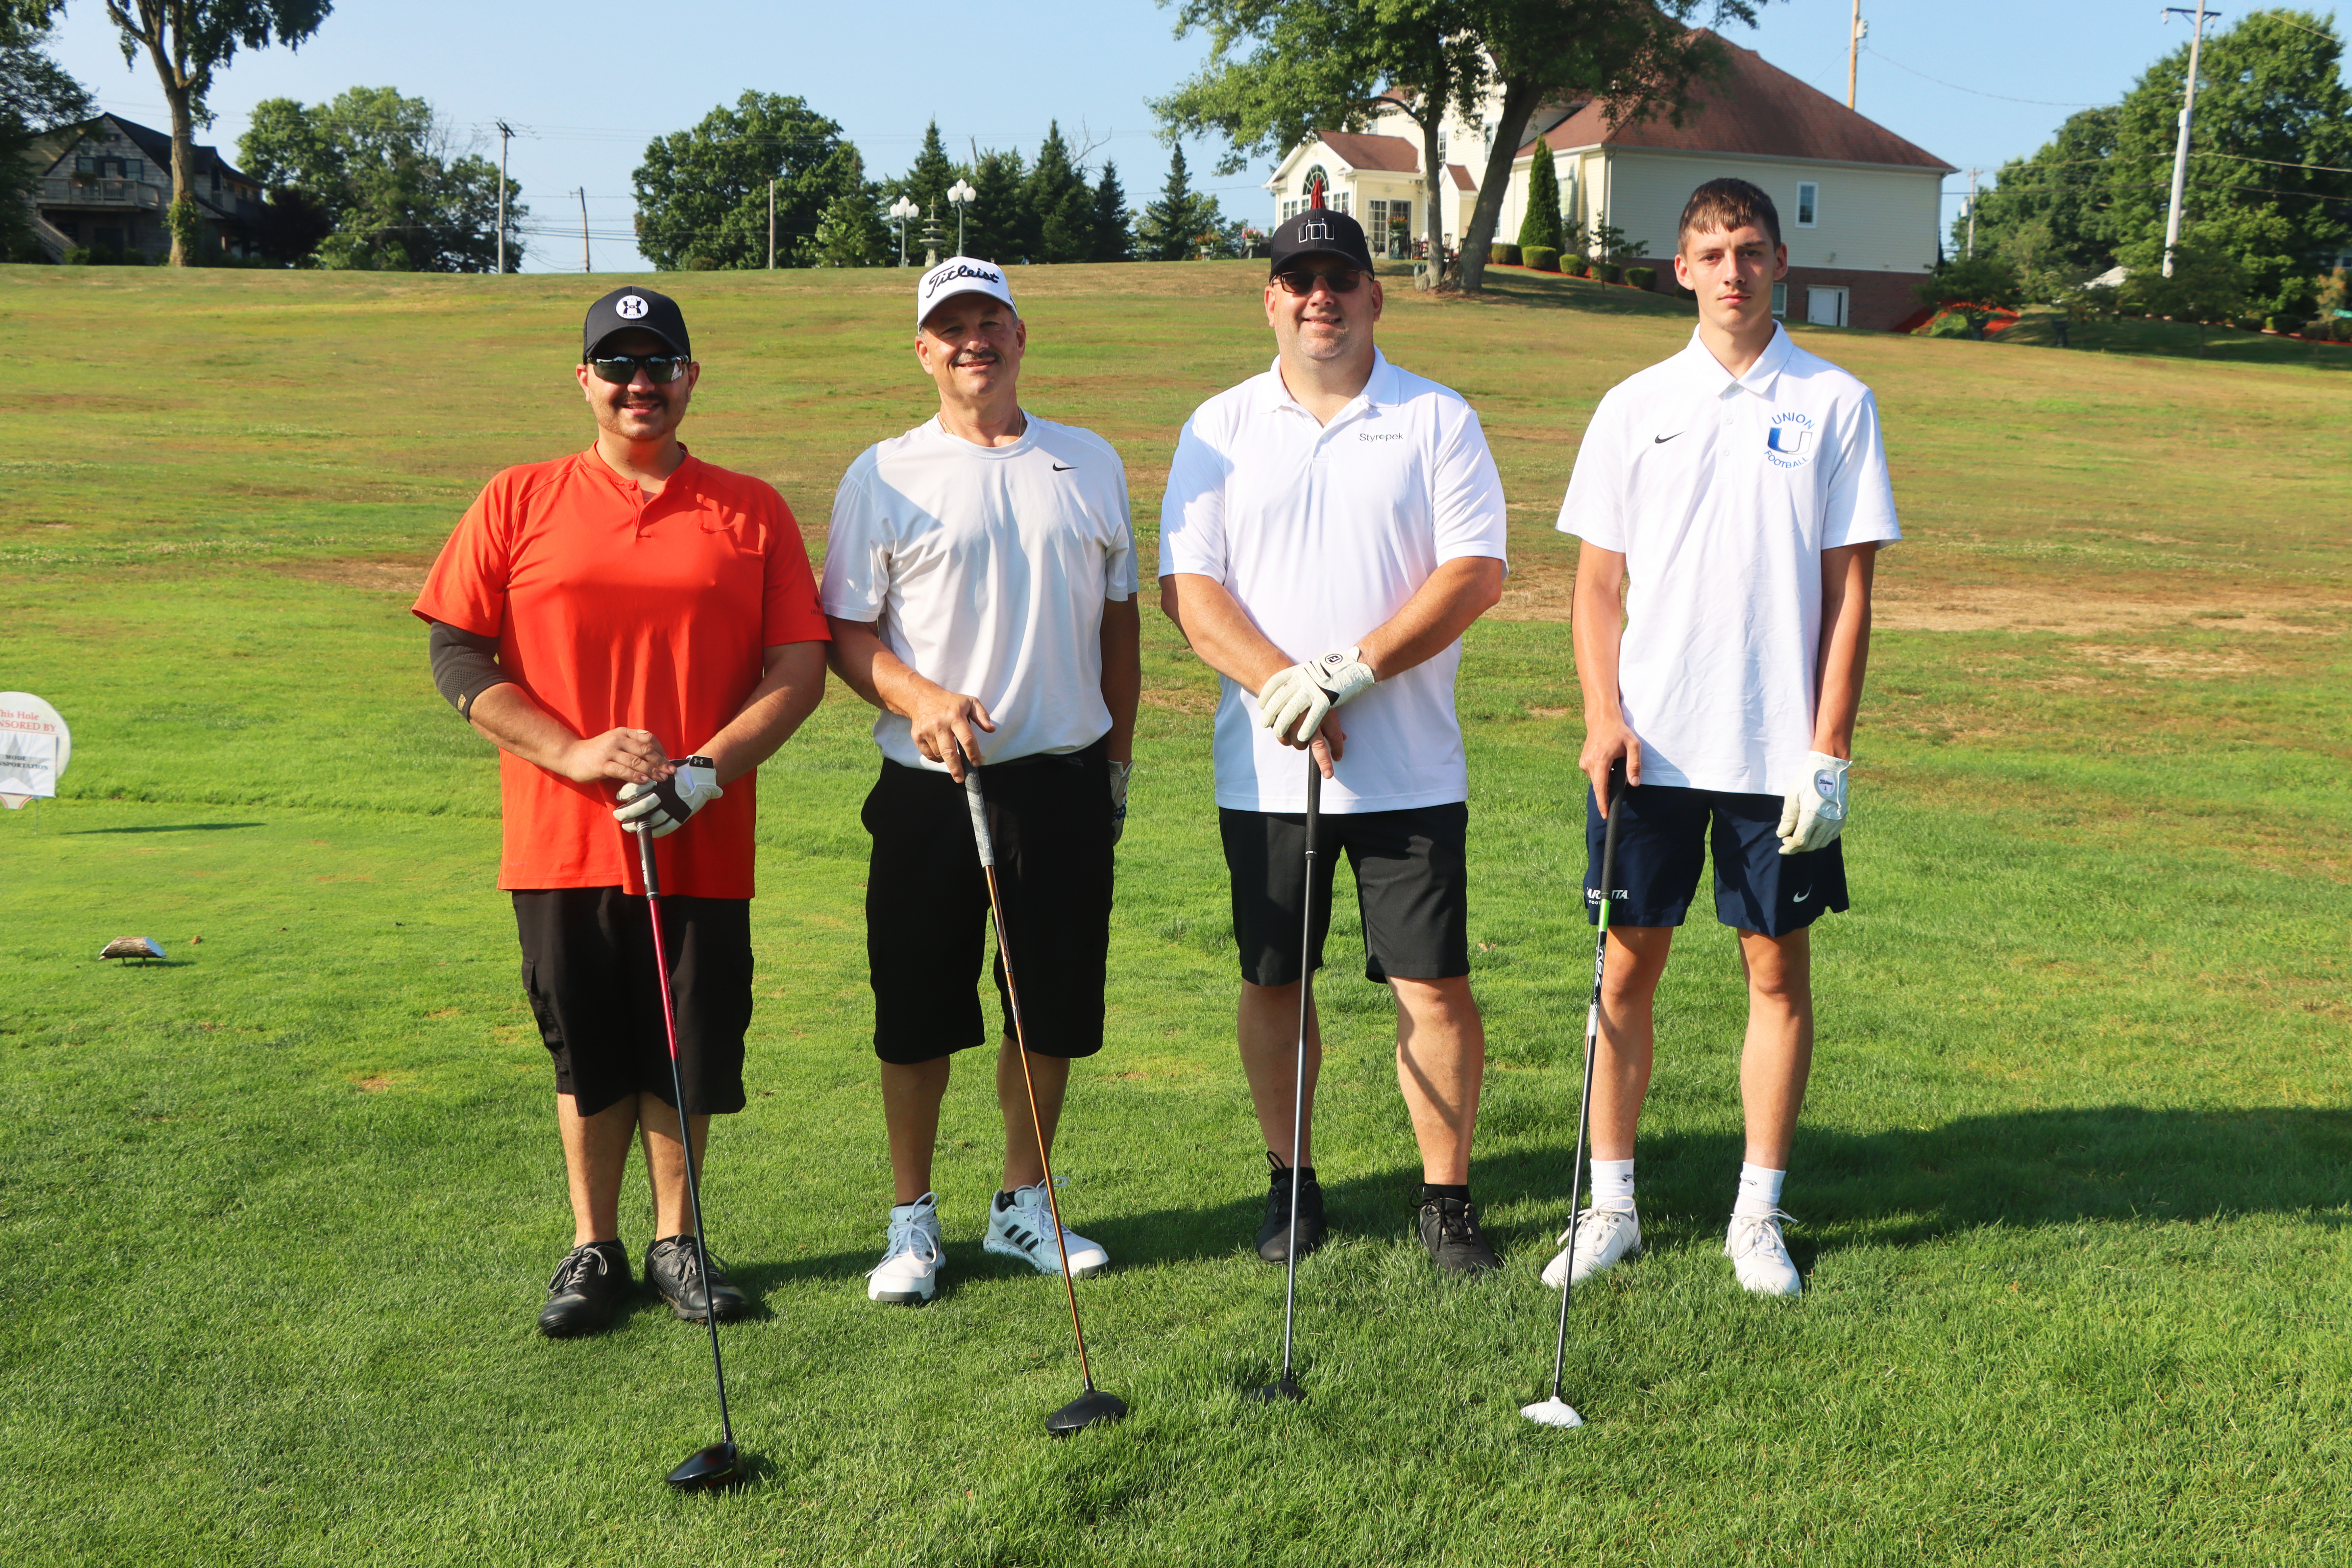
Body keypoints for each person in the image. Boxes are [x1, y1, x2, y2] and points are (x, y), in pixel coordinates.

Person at [413, 286, 830, 1336]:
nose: (639, 385)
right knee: (587, 1047)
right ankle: (592, 1246)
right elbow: (457, 650)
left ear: (691, 377)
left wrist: (702, 773)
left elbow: (799, 667)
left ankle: (679, 1243)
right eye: (618, 367)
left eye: (661, 366)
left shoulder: (754, 509)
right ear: (585, 382)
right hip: (562, 839)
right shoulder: (520, 497)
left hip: (702, 833)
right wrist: (576, 752)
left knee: (682, 1047)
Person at [1550, 178, 1900, 1298]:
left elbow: (1850, 591)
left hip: (1774, 755)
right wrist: (1603, 713)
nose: (1733, 269)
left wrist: (1829, 748)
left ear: (1781, 262)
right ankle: (1612, 1210)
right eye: (1711, 250)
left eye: (1750, 248)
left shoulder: (1838, 400)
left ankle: (1758, 1216)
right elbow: (1598, 585)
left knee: (1775, 972)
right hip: (1647, 746)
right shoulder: (1633, 402)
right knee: (1625, 969)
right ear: (1681, 270)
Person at [1159, 210, 1511, 1277]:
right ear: (1270, 298)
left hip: (1407, 767)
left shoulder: (1438, 418)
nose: (1320, 297)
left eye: (1340, 279)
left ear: (1375, 296)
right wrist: (1281, 686)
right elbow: (1189, 587)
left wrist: (1348, 672)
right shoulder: (1218, 426)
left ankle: (1445, 1200)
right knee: (1276, 981)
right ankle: (1292, 1182)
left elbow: (1473, 575)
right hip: (1265, 769)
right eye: (1298, 279)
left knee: (1433, 986)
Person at [824, 256, 1141, 1307]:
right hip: (930, 788)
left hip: (1060, 783)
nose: (974, 341)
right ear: (924, 351)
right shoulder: (886, 472)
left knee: (1047, 1009)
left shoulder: (1088, 461)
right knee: (916, 1011)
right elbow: (846, 632)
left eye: (990, 321)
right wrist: (920, 697)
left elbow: (1119, 623)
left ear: (1020, 336)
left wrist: (1118, 764)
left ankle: (1022, 1203)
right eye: (951, 327)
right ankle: (912, 1222)